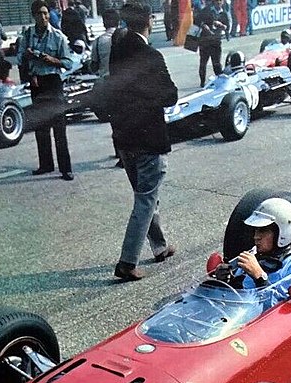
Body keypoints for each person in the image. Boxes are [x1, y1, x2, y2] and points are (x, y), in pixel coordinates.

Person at [108, 2, 178, 282]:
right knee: (146, 200)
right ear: (149, 20)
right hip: (149, 137)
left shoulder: (117, 52)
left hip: (124, 138)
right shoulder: (151, 55)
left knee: (146, 196)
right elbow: (170, 95)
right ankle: (127, 262)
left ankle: (159, 246)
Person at [214, 198, 291, 309]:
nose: (256, 237)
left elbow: (283, 313)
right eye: (256, 230)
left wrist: (260, 278)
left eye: (263, 230)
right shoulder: (253, 254)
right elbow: (239, 292)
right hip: (238, 316)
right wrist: (227, 279)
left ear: (281, 232)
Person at [17, 1, 74, 181]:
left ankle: (66, 168)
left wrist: (51, 59)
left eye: (45, 13)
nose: (43, 17)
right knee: (41, 126)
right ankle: (46, 164)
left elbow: (68, 63)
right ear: (33, 16)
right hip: (36, 83)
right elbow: (19, 58)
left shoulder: (58, 36)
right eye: (39, 14)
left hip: (53, 82)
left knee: (59, 127)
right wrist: (26, 56)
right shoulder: (27, 36)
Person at [90, 6, 123, 165]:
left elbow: (93, 67)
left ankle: (119, 152)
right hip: (125, 83)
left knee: (115, 121)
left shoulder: (98, 42)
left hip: (107, 85)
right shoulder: (126, 37)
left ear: (104, 23)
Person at [197, 0, 228, 88]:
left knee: (217, 63)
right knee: (203, 63)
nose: (219, 3)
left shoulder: (223, 13)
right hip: (205, 42)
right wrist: (204, 26)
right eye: (217, 1)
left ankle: (220, 81)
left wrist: (223, 26)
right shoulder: (206, 10)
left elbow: (227, 26)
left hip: (216, 42)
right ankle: (202, 82)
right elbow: (196, 21)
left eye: (220, 1)